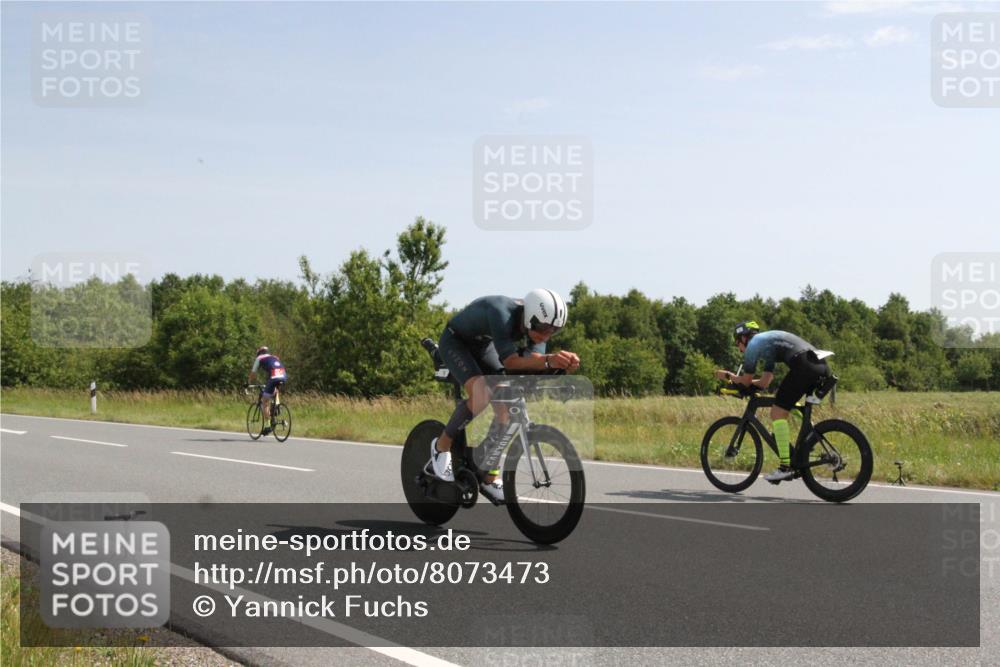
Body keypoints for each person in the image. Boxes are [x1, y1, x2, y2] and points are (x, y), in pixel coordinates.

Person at [429, 289, 580, 503]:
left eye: (554, 331)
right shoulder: (502, 312)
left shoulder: (538, 322)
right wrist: (549, 360)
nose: (546, 335)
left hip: (484, 346)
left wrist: (560, 366)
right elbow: (511, 362)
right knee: (481, 393)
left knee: (505, 407)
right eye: (544, 328)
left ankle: (488, 473)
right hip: (456, 342)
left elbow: (533, 360)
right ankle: (440, 446)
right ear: (529, 317)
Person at [714, 321, 831, 483]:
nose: (739, 349)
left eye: (737, 344)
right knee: (785, 405)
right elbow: (764, 382)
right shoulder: (766, 344)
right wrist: (746, 383)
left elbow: (746, 381)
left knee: (777, 412)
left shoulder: (754, 345)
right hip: (820, 365)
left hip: (804, 366)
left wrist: (728, 376)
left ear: (744, 338)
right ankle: (809, 439)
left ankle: (785, 467)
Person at [247, 346, 288, 436]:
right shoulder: (274, 357)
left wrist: (248, 382)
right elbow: (273, 369)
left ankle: (268, 425)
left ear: (259, 353)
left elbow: (253, 373)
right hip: (283, 375)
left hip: (274, 377)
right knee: (275, 389)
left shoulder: (259, 358)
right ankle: (277, 406)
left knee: (265, 402)